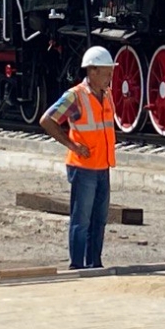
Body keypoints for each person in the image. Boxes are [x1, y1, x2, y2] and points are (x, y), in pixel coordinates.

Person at [40, 46, 117, 270]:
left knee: (99, 220)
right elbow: (47, 120)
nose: (110, 77)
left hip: (102, 166)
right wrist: (72, 145)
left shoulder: (107, 94)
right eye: (107, 72)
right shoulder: (75, 96)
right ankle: (77, 265)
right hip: (83, 168)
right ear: (92, 71)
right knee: (81, 220)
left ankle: (95, 264)